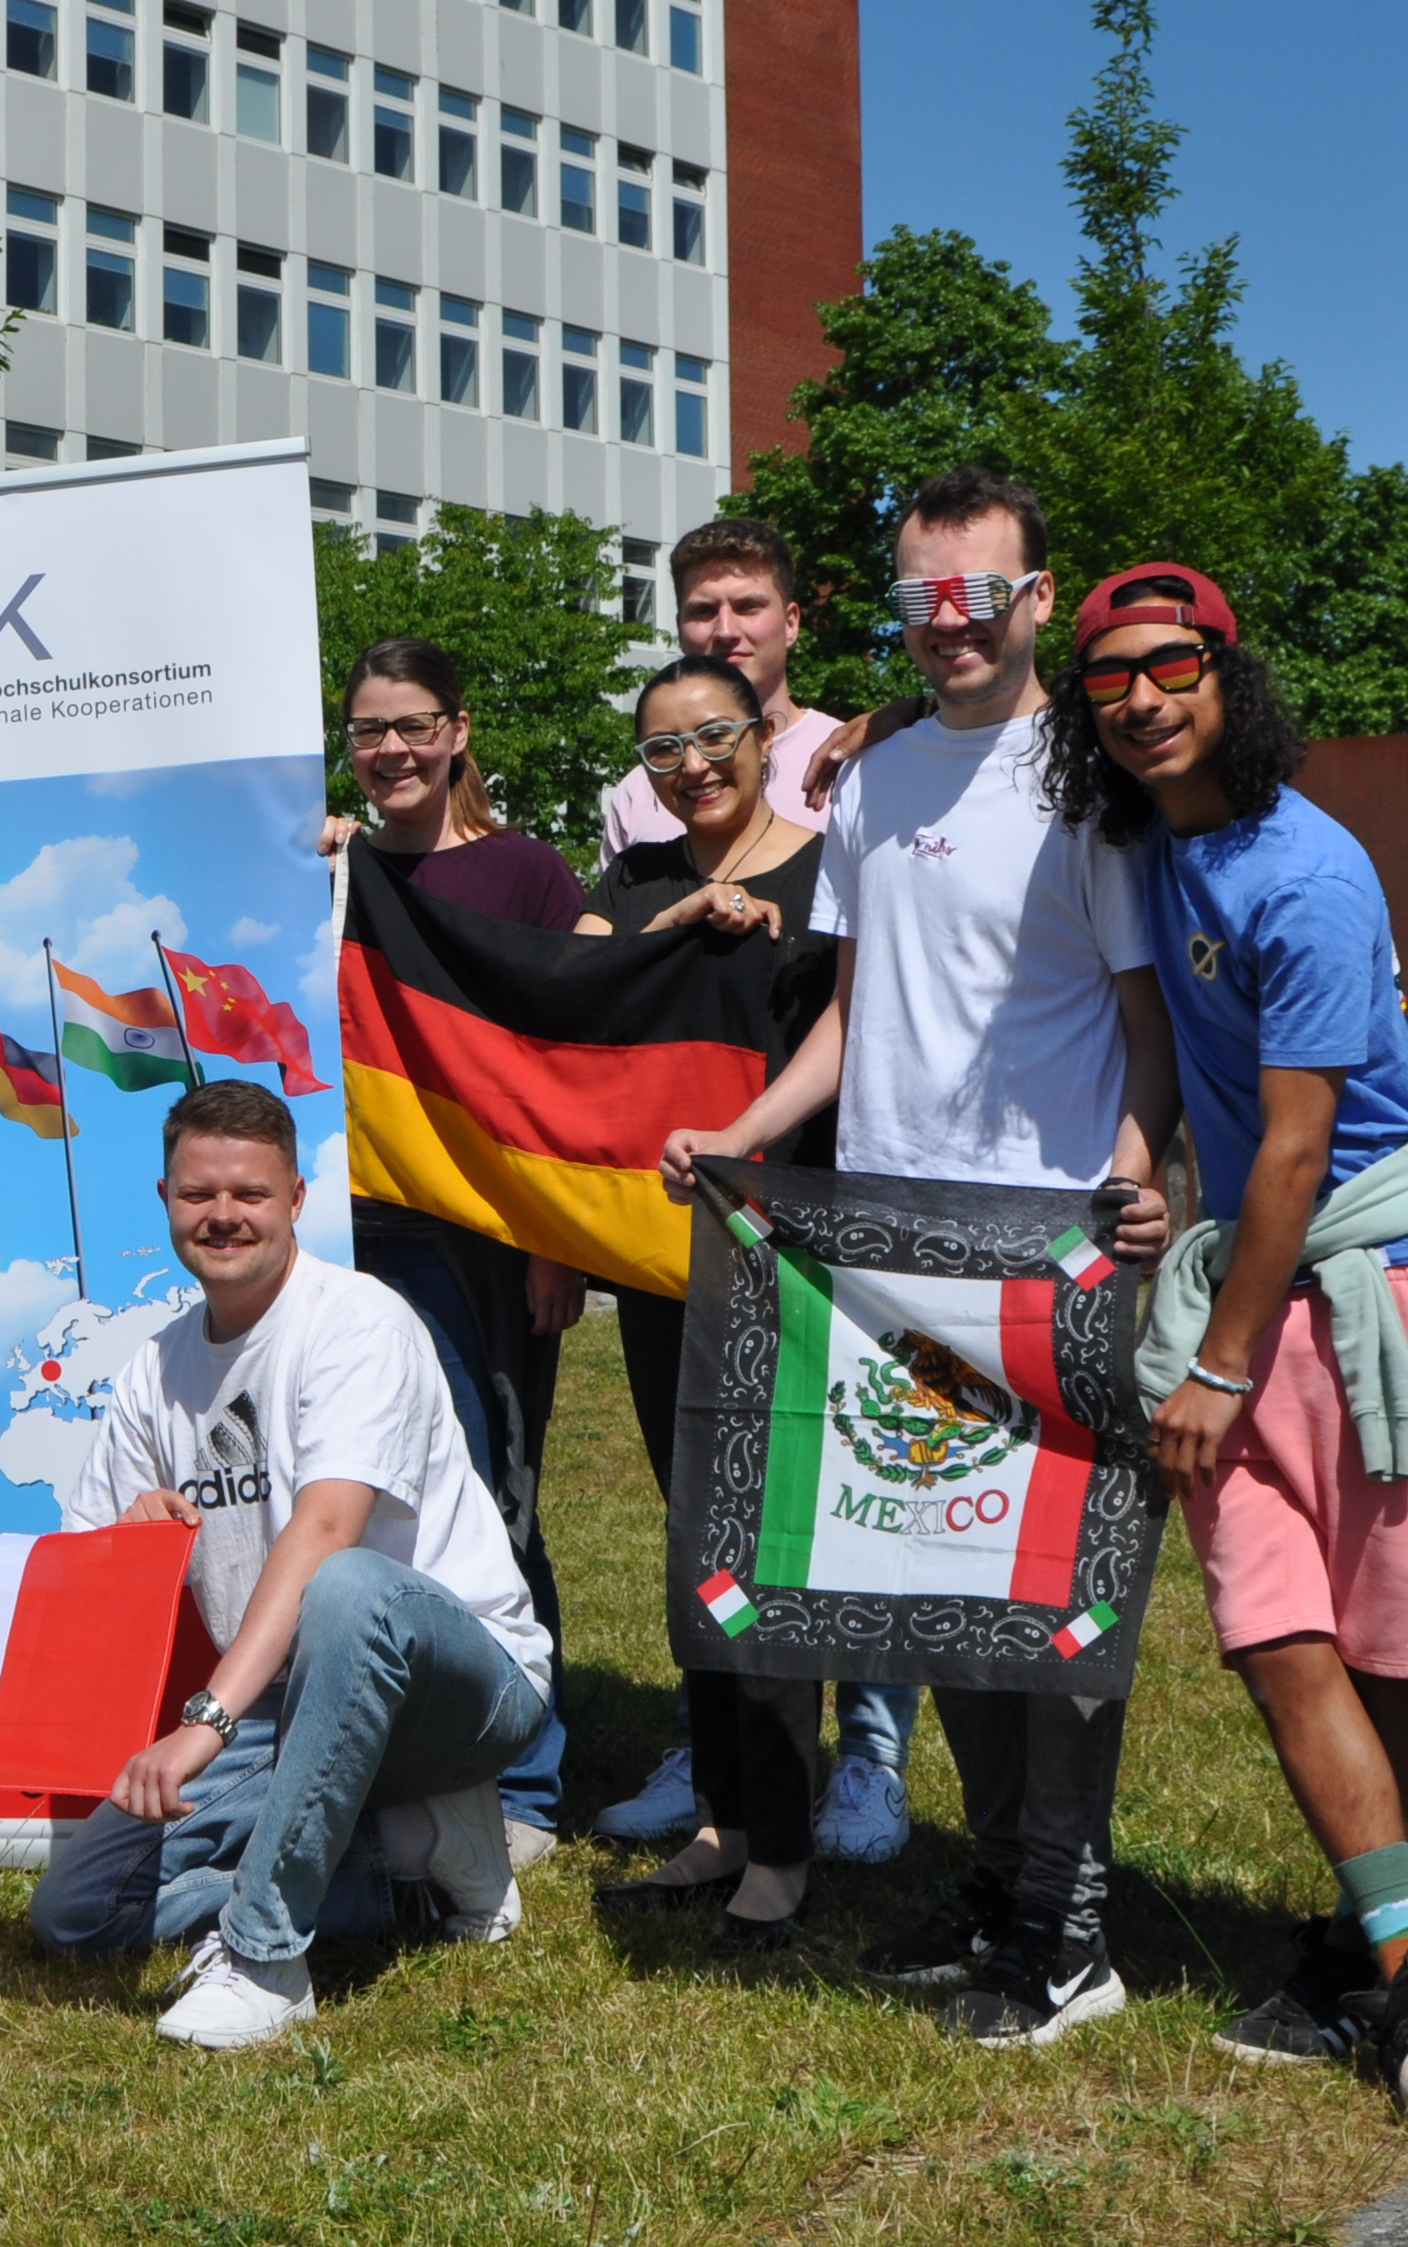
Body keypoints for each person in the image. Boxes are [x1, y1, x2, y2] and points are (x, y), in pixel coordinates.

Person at [659, 468, 1178, 2037]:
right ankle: (1008, 1887)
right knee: (949, 1579)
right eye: (917, 600)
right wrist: (750, 1132)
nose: (945, 627)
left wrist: (1145, 1172)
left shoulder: (1091, 782)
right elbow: (851, 1011)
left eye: (975, 596)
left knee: (1059, 1595)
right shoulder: (871, 782)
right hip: (890, 1252)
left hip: (1056, 1249)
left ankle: (1070, 1933)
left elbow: (1150, 1028)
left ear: (1034, 599)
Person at [1055, 562, 1408, 2125]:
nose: (1142, 698)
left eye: (1173, 666)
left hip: (1369, 1297)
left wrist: (1213, 1368)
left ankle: (1365, 1953)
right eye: (1111, 678)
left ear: (1231, 677)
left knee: (1382, 1642)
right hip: (1256, 1281)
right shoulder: (1159, 844)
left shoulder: (1307, 874)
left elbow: (1291, 1152)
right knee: (1276, 1634)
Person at [30, 1081, 557, 2049]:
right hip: (279, 1705)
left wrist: (202, 1724)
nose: (222, 1215)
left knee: (347, 1586)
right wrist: (133, 1540)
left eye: (250, 1194)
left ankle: (266, 1955)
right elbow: (85, 1573)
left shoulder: (356, 1319)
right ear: (162, 1196)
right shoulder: (154, 1368)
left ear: (297, 1199)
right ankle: (414, 1849)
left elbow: (324, 1534)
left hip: (459, 1685)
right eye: (198, 1194)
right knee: (76, 1913)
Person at [569, 657, 843, 1943]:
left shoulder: (825, 867)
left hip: (787, 1251)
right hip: (663, 1260)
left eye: (716, 736)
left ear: (761, 734)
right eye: (665, 750)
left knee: (767, 1541)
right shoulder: (634, 882)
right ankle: (726, 1821)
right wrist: (665, 927)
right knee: (699, 1541)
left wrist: (777, 931)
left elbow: (859, 1026)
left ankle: (783, 1850)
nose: (694, 766)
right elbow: (568, 998)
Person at [332, 635, 585, 1860]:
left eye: (411, 724)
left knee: (491, 1494)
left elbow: (559, 1075)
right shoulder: (326, 874)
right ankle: (395, 1753)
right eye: (369, 730)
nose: (390, 750)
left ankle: (527, 1779)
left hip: (479, 1239)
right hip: (340, 1233)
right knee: (356, 1494)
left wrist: (552, 1241)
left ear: (458, 728)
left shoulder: (527, 876)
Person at [597, 518, 839, 858]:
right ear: (680, 629)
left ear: (790, 623)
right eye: (704, 611)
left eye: (748, 607)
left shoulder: (852, 766)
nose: (726, 630)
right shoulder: (640, 792)